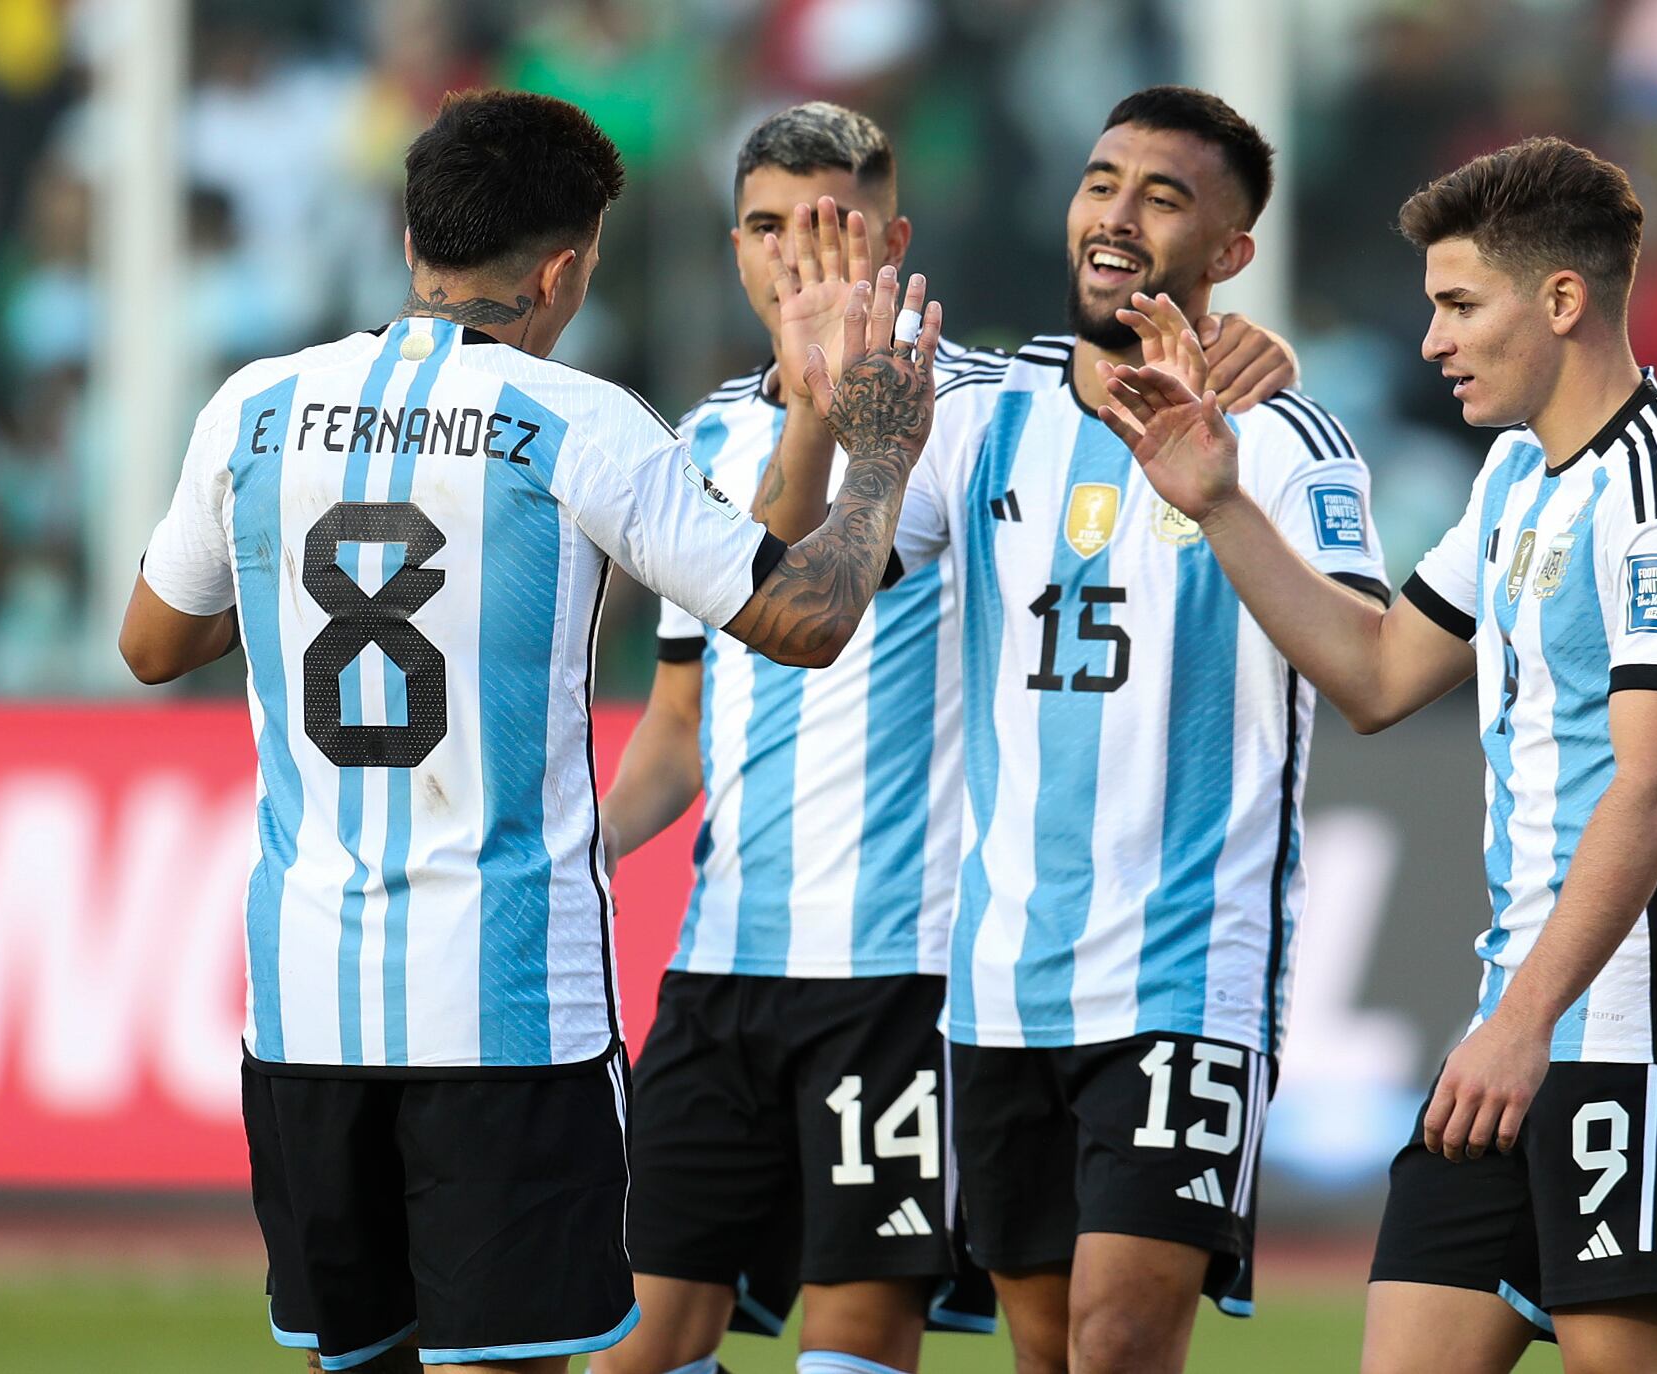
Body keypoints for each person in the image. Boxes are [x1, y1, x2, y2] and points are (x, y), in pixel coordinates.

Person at [118, 88, 944, 1374]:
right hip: (502, 1008)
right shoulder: (581, 422)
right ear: (563, 267)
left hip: (302, 1009)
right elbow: (803, 620)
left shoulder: (255, 407)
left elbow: (152, 645)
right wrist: (879, 456)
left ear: (413, 244)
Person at [594, 102, 1298, 1374]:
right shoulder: (703, 431)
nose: (799, 264)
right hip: (724, 954)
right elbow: (713, 682)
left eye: (833, 233)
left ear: (893, 241)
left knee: (867, 1334)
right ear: (731, 245)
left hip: (908, 960)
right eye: (768, 230)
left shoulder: (960, 407)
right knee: (639, 1342)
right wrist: (576, 852)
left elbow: (1101, 386)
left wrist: (1244, 355)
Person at [1099, 136, 1657, 1373]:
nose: (1432, 341)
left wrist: (1523, 1023)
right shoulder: (1518, 477)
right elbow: (1373, 673)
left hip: (1645, 1036)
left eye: (1459, 305)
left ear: (1561, 302)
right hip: (1518, 1024)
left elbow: (1656, 784)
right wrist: (1219, 505)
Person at [756, 85, 1386, 1374]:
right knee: (1043, 1350)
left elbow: (1365, 664)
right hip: (1000, 983)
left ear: (1229, 256)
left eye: (1163, 198)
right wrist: (824, 411)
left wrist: (1222, 497)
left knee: (1117, 1339)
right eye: (1101, 182)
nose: (1116, 215)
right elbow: (804, 602)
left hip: (1182, 972)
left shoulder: (1282, 437)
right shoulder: (980, 412)